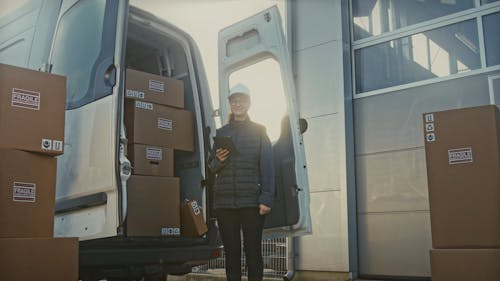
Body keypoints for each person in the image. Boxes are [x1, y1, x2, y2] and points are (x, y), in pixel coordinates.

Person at [208, 83, 275, 281]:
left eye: (242, 100)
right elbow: (211, 167)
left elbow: (268, 166)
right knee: (232, 254)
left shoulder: (260, 131)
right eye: (234, 100)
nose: (238, 104)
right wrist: (218, 160)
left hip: (251, 202)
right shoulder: (221, 133)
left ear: (249, 103)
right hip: (224, 202)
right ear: (230, 104)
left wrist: (266, 198)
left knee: (253, 252)